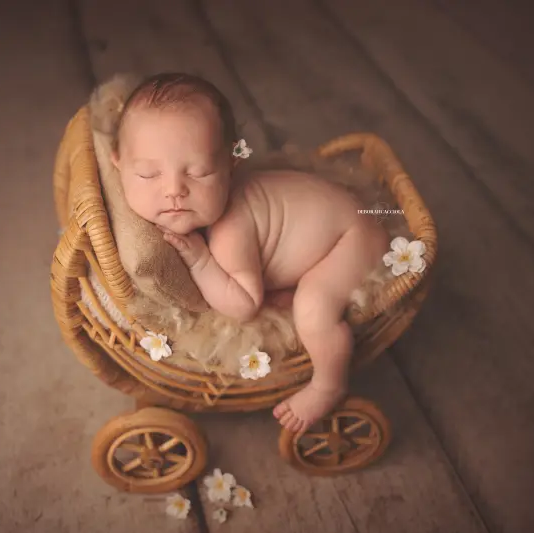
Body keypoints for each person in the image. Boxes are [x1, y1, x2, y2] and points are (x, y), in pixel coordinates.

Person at [110, 72, 389, 434]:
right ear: (117, 164)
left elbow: (244, 304)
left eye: (199, 172)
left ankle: (328, 385)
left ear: (231, 164)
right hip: (328, 215)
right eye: (148, 174)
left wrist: (200, 260)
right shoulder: (177, 201)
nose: (174, 190)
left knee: (313, 306)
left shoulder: (229, 228)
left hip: (351, 239)